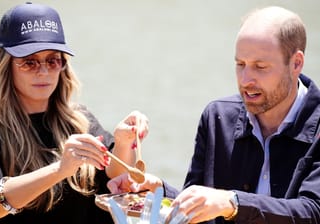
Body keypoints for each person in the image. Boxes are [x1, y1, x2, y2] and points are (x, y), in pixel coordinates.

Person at [107, 6, 320, 223]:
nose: (246, 79)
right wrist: (159, 191)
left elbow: (313, 212)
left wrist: (232, 203)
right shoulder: (216, 117)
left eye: (260, 67)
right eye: (240, 64)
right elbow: (200, 207)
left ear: (296, 63)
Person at [0, 2, 149, 224]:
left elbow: (115, 179)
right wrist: (60, 169)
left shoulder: (81, 120)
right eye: (29, 62)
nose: (43, 71)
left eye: (53, 60)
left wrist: (123, 142)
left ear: (64, 65)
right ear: (6, 66)